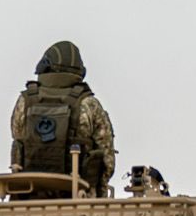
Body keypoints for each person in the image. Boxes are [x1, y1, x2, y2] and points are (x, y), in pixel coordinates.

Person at [9, 40, 116, 196]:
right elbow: (107, 160)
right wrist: (97, 193)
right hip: (81, 202)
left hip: (28, 200)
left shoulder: (24, 102)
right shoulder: (89, 104)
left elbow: (17, 140)